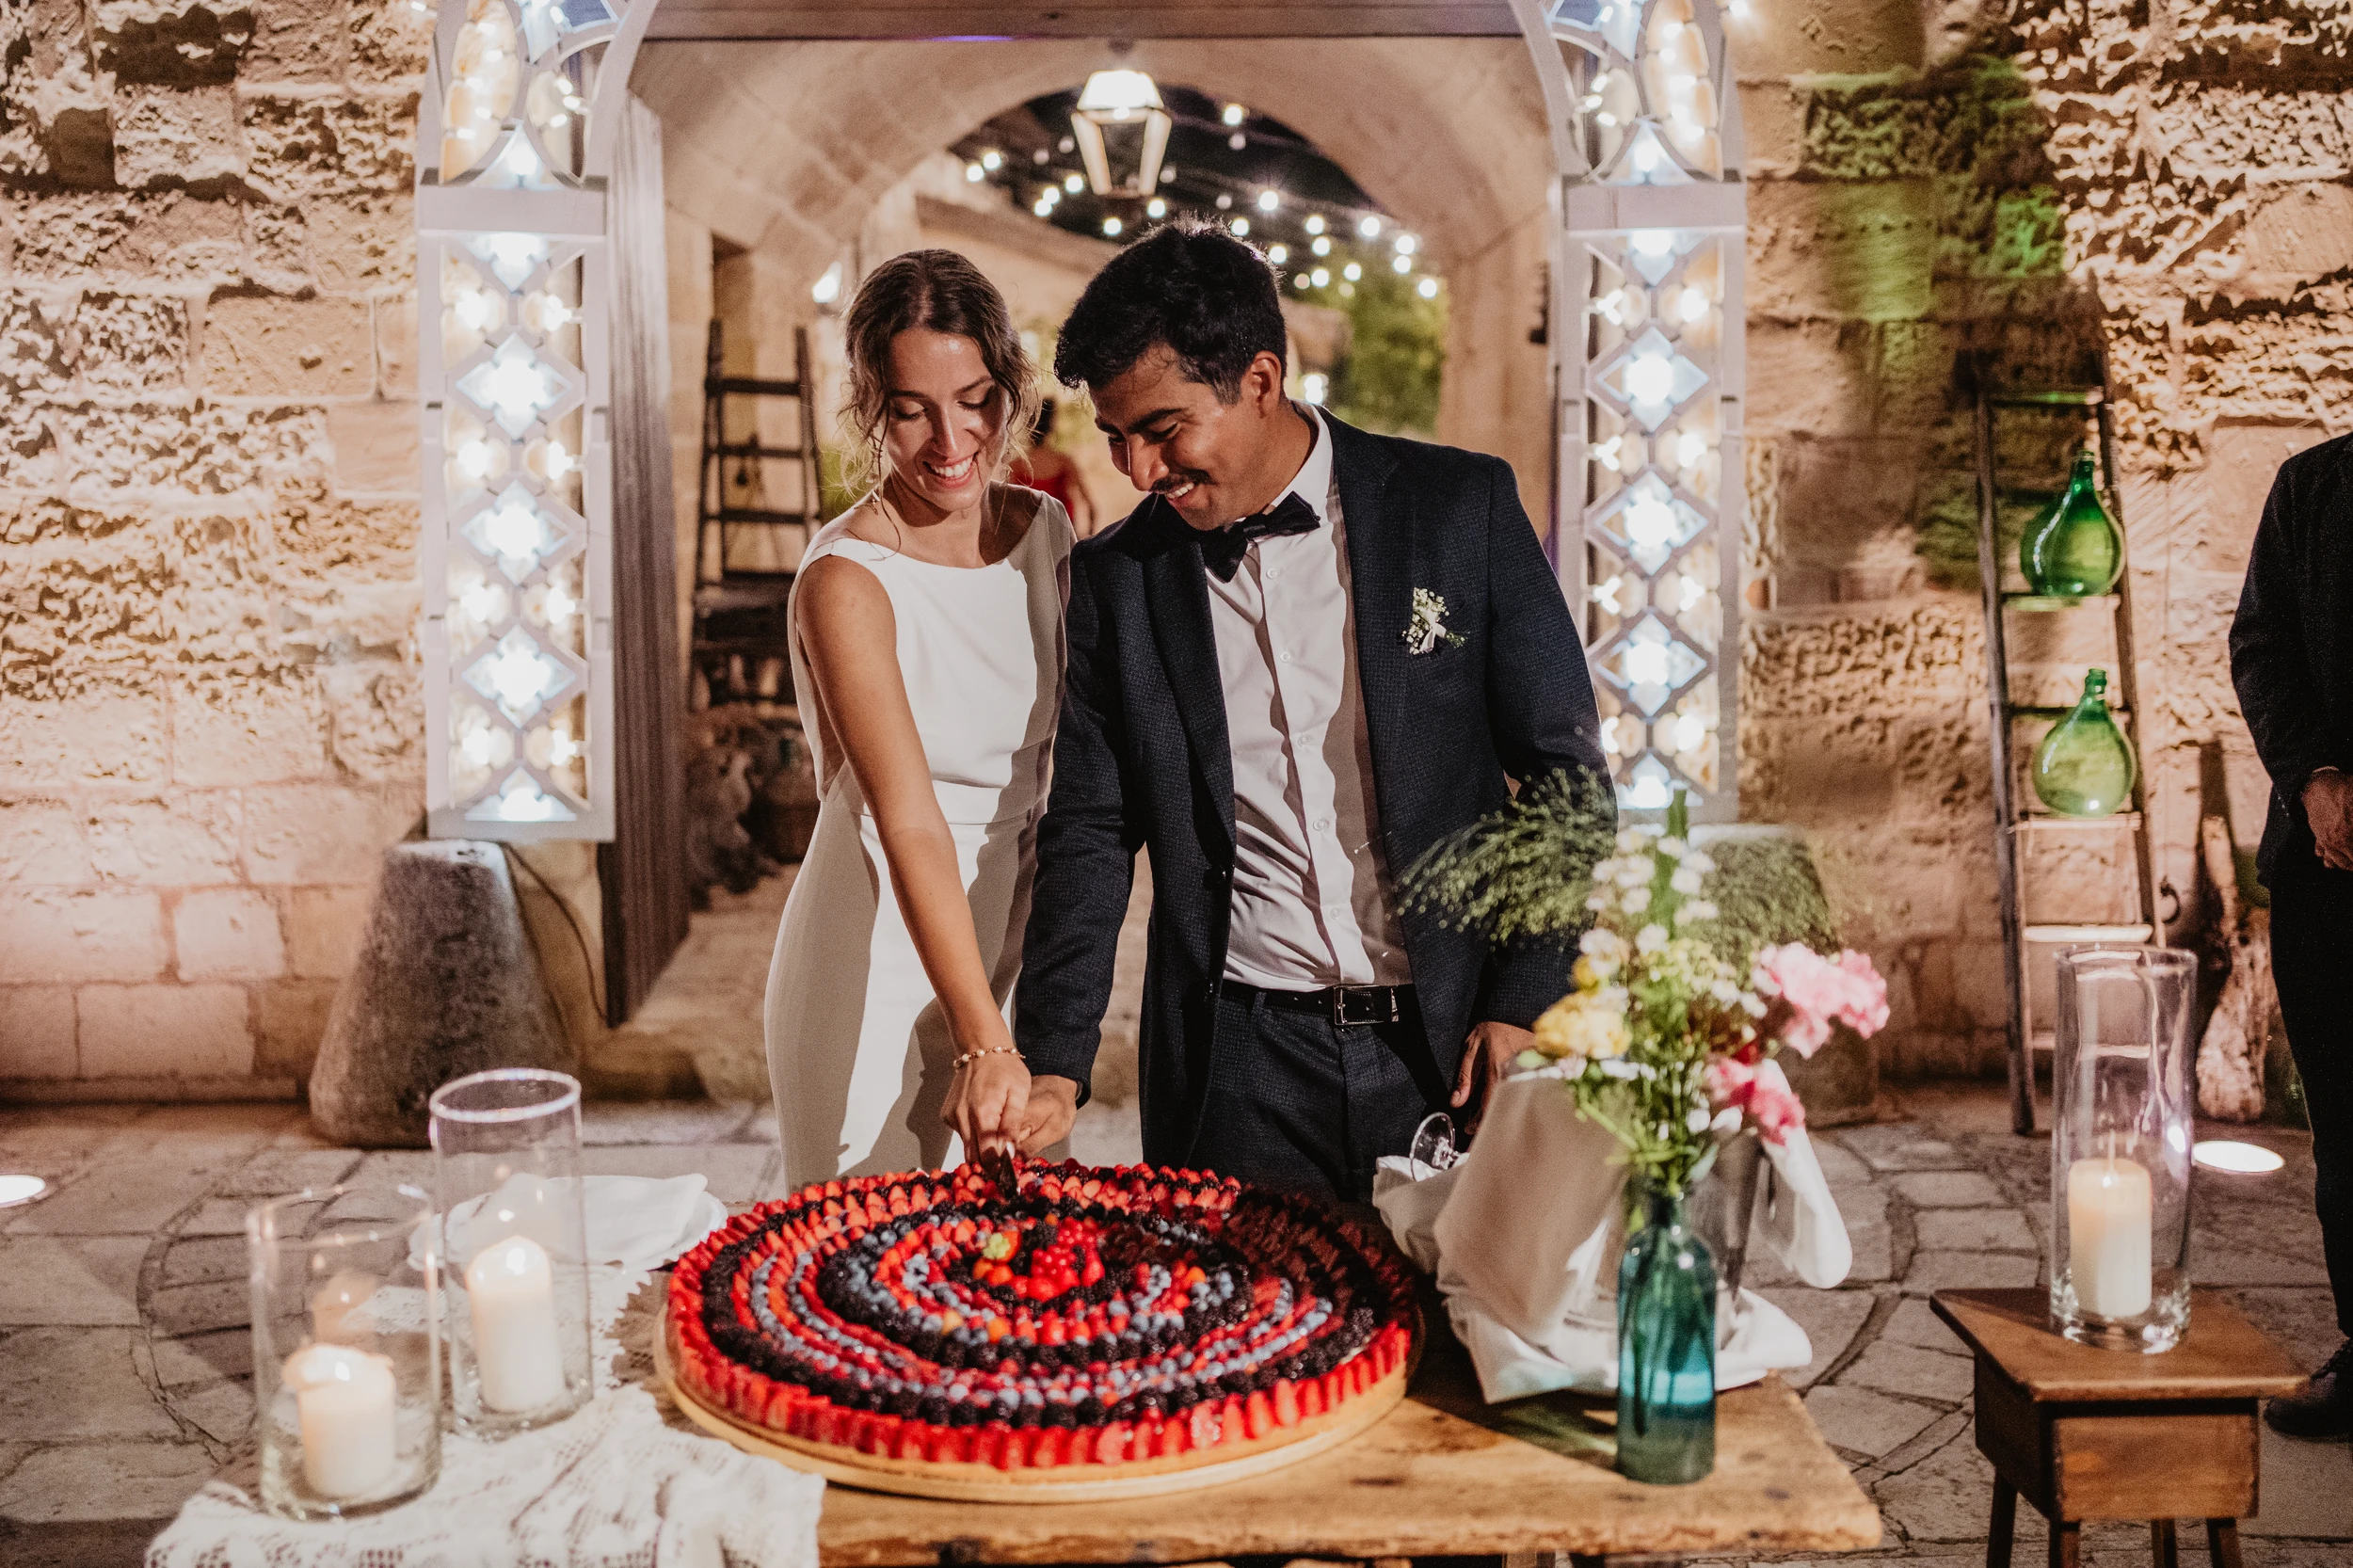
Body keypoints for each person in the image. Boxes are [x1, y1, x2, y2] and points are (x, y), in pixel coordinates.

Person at [943, 221, 1610, 1202]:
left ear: (1259, 380)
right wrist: (1055, 1061)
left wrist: (1525, 994)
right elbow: (1089, 827)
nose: (1138, 470)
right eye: (1117, 437)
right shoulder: (1117, 580)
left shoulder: (1456, 508)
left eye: (1162, 429)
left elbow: (1564, 776)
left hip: (1452, 1045)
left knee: (1457, 1303)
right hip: (1235, 1067)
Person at [763, 249, 1073, 1187]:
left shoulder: (1047, 533)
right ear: (869, 407)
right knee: (867, 1254)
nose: (950, 438)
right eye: (910, 409)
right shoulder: (847, 581)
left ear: (1009, 389)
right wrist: (984, 1040)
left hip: (1012, 954)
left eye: (974, 400)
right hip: (877, 955)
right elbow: (907, 819)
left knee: (1019, 1257)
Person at [2229, 429, 2353, 1439]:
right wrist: (2313, 777)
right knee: (2347, 1123)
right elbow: (2261, 644)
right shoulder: (2312, 485)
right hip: (2330, 869)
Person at [1011, 398, 1097, 536]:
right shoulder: (1064, 462)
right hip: (1063, 536)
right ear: (1051, 425)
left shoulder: (1016, 466)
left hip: (1031, 539)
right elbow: (1091, 506)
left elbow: (1008, 513)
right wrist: (1088, 538)